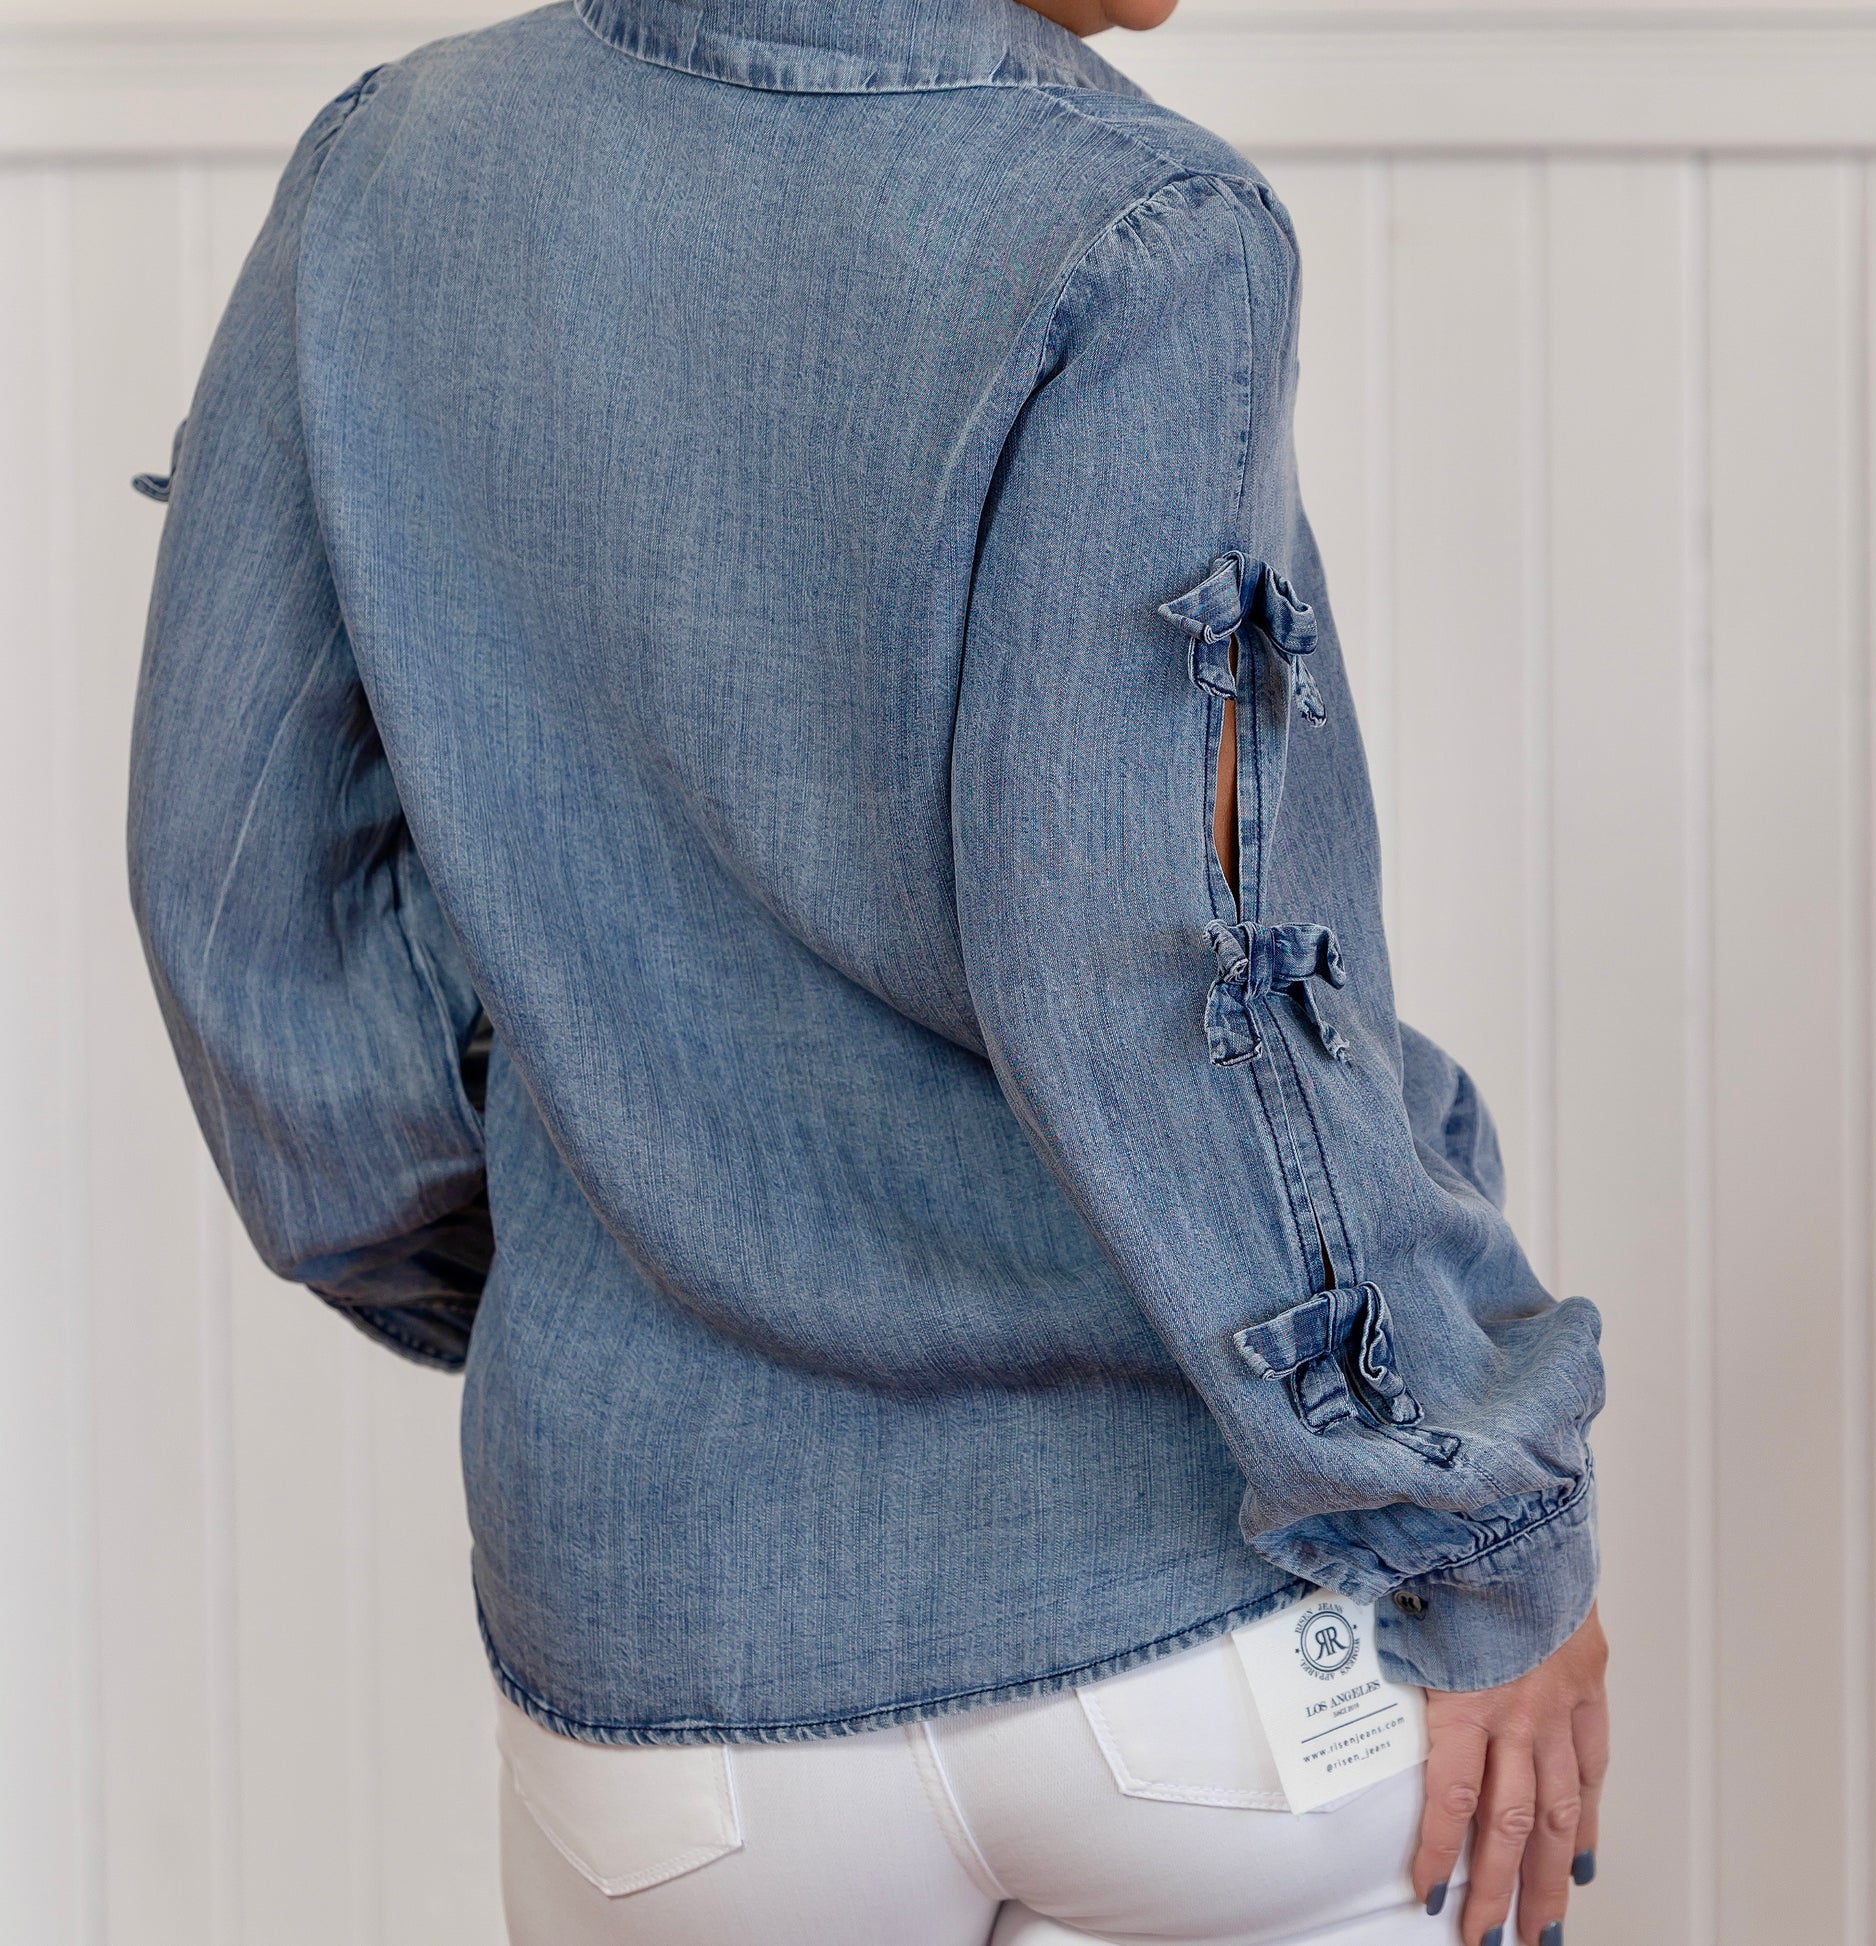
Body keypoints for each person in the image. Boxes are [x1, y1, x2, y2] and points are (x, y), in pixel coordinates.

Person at [126, 1, 1609, 1941]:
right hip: (1187, 1624)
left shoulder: (386, 171)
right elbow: (1167, 982)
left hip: (664, 1647)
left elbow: (241, 904)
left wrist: (613, 1274)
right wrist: (1475, 1519)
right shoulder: (1135, 228)